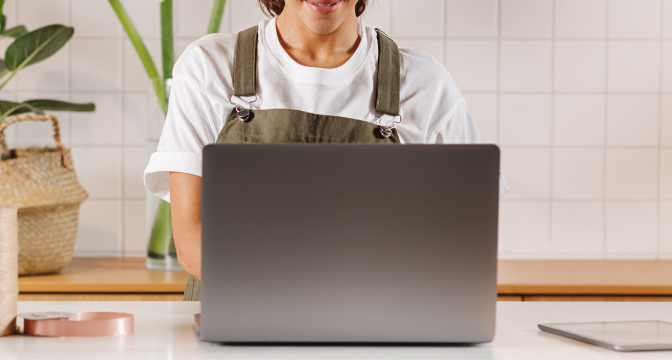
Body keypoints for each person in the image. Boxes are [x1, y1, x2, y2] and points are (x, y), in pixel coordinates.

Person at [142, 0, 510, 301]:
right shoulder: (209, 66)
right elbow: (191, 240)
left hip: (376, 327)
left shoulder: (424, 82)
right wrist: (310, 299)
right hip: (234, 324)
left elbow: (468, 240)